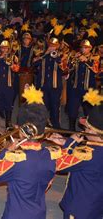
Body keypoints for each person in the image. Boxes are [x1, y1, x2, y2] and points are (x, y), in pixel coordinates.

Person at [0, 85, 60, 219]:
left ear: (19, 128)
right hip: (39, 212)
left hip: (16, 214)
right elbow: (47, 185)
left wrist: (6, 151)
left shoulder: (14, 159)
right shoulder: (52, 155)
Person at [50, 88, 103, 219]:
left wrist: (69, 144)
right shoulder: (94, 150)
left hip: (79, 209)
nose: (84, 129)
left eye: (87, 128)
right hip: (97, 204)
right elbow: (85, 159)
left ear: (95, 133)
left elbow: (59, 164)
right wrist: (64, 141)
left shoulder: (88, 154)